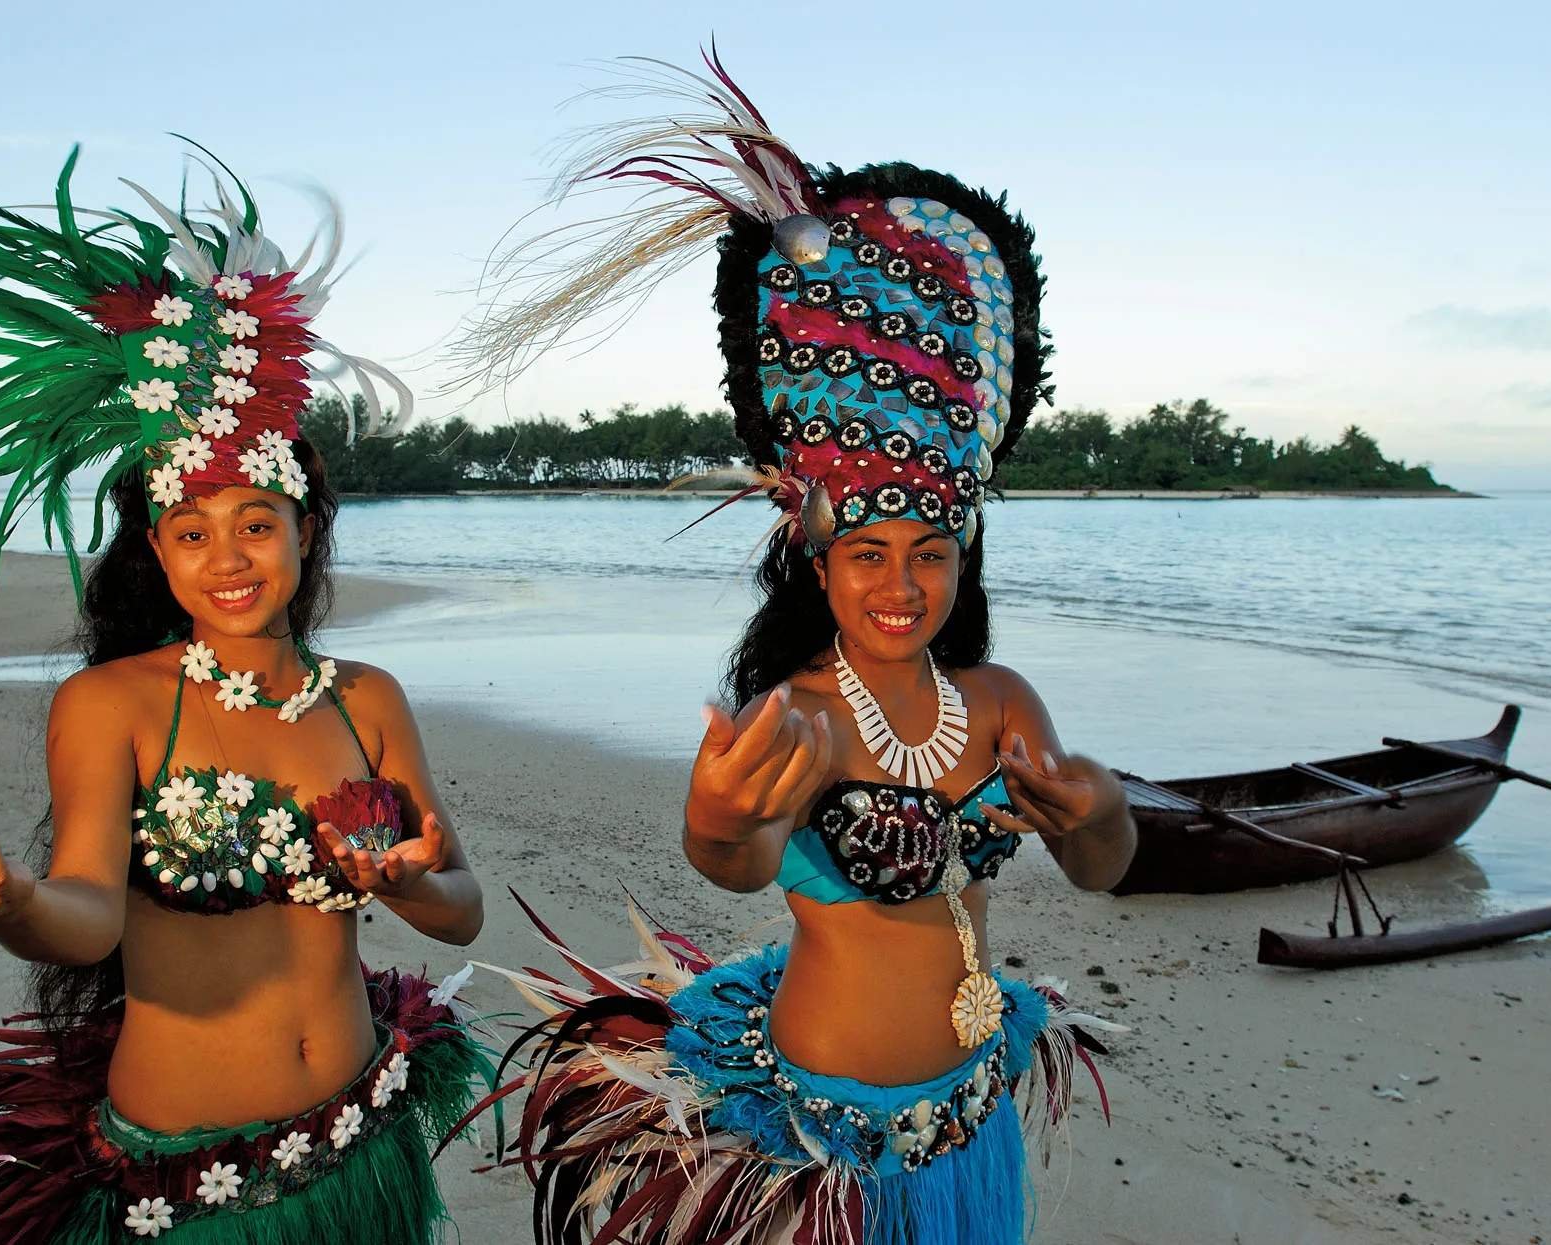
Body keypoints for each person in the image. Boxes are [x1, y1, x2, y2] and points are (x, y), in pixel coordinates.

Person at [448, 51, 1137, 1245]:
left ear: (964, 559)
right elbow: (738, 856)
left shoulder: (1002, 699)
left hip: (970, 1117)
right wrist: (718, 818)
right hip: (830, 1137)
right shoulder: (801, 711)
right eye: (868, 553)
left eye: (931, 552)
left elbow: (1105, 870)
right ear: (815, 564)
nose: (901, 582)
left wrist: (1099, 814)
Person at [0, 140, 489, 1245]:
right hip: (191, 1183)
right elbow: (86, 916)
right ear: (161, 554)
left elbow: (459, 906)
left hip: (365, 1136)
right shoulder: (113, 706)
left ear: (304, 530)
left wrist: (408, 882)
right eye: (193, 531)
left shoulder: (368, 696)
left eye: (256, 526)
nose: (228, 559)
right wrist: (9, 907)